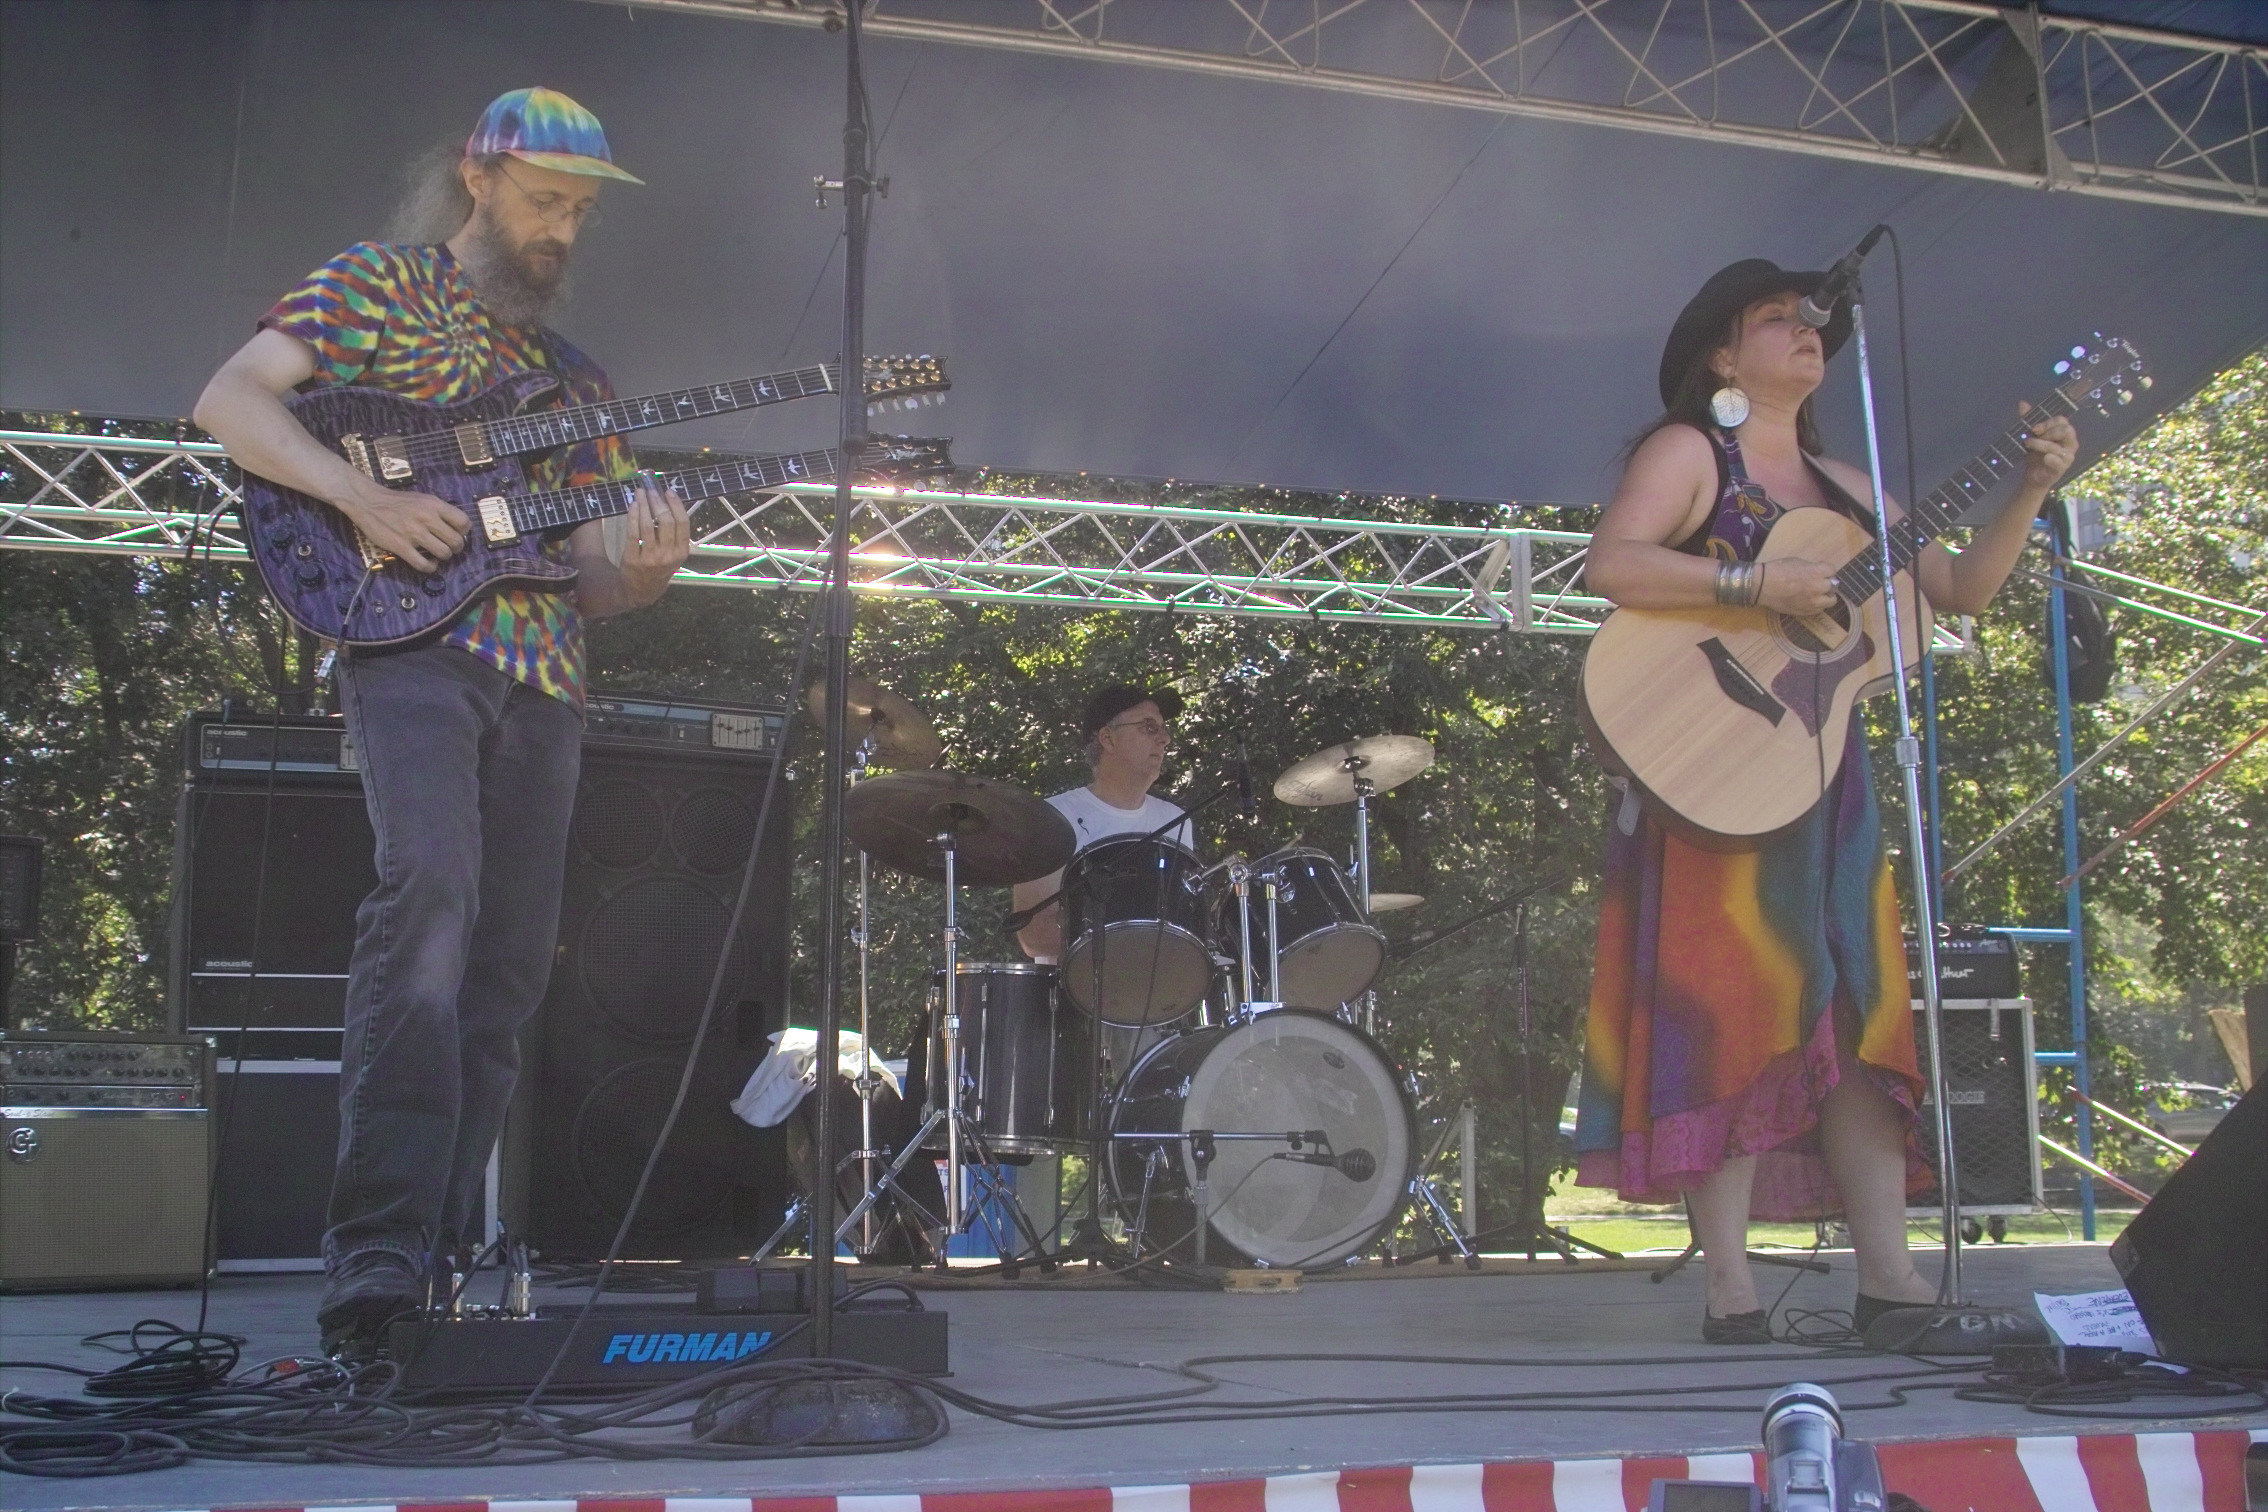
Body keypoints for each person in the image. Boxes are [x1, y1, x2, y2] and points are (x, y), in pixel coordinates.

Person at [193, 88, 693, 1351]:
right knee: (428, 902)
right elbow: (233, 404)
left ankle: (440, 1255)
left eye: (578, 212)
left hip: (547, 674)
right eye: (543, 200)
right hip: (412, 647)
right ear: (477, 175)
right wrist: (360, 498)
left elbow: (594, 574)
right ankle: (374, 1253)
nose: (560, 229)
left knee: (510, 965)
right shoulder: (378, 285)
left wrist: (643, 574)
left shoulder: (578, 380)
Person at [1572, 258, 2077, 1344]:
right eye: (1777, 319)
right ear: (1722, 354)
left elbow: (1962, 592)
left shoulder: (1855, 489)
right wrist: (1753, 584)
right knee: (1732, 1016)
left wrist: (2031, 487)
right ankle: (1731, 1294)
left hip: (1825, 776)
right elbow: (1612, 565)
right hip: (1713, 774)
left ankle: (1891, 1283)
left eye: (1815, 325)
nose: (1808, 331)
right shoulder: (1689, 453)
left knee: (1860, 1019)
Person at [1010, 684, 1195, 965]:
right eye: (1149, 727)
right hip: (1075, 990)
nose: (1165, 739)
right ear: (1108, 739)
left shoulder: (1176, 821)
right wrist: (1136, 932)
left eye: (1163, 728)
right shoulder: (1051, 817)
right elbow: (1035, 936)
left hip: (1165, 988)